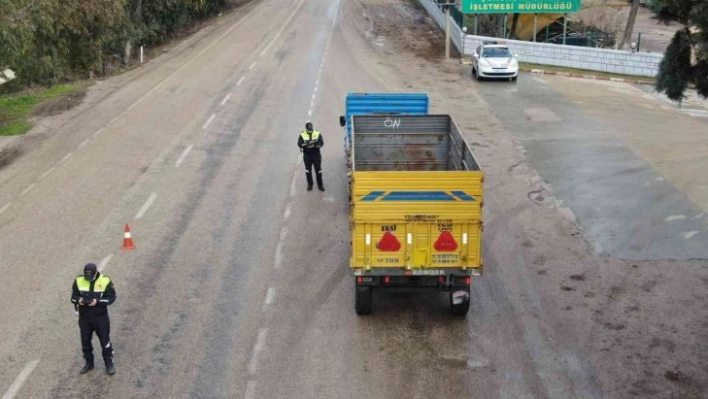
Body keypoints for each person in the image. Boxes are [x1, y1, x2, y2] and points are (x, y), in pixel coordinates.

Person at [71, 263, 117, 375]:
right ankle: (89, 363)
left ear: (96, 272)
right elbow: (73, 297)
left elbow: (111, 298)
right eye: (87, 277)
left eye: (91, 276)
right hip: (84, 318)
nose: (89, 279)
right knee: (85, 342)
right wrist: (79, 300)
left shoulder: (105, 281)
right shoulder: (78, 281)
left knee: (105, 341)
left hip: (100, 317)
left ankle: (109, 363)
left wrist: (98, 302)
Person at [298, 121, 325, 191]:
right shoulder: (302, 134)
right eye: (309, 128)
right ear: (306, 128)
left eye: (311, 128)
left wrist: (315, 145)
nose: (310, 129)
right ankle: (310, 184)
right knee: (308, 170)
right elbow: (299, 143)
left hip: (316, 154)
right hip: (307, 155)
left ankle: (320, 185)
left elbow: (321, 142)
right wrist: (307, 143)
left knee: (318, 170)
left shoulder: (317, 133)